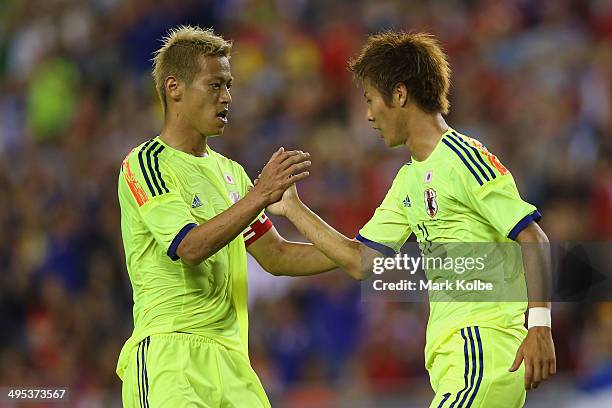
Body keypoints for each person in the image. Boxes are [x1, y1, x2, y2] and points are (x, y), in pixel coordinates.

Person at [268, 31, 556, 407]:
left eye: (371, 100)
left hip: (481, 349)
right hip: (455, 364)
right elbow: (359, 260)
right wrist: (291, 208)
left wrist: (540, 328)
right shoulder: (408, 179)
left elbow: (533, 238)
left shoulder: (463, 158)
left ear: (399, 95)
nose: (369, 115)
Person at [116, 25, 339, 407]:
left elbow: (277, 255)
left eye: (229, 85)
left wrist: (354, 251)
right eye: (215, 85)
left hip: (234, 363)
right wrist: (260, 195)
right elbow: (188, 246)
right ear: (175, 89)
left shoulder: (231, 174)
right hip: (173, 357)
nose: (227, 97)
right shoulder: (146, 163)